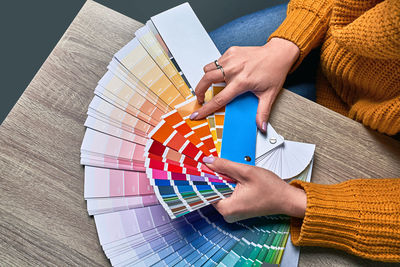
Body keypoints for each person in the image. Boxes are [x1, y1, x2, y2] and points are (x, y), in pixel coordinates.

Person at [190, 0, 400, 263]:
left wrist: (297, 202)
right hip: (335, 31)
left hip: (374, 140)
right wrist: (284, 44)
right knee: (202, 67)